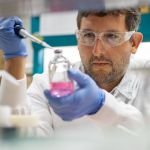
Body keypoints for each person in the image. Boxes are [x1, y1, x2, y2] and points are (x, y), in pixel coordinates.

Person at [0, 7, 149, 136]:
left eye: (112, 36)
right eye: (88, 36)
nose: (97, 51)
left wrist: (101, 105)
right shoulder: (47, 85)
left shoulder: (146, 79)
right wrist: (15, 58)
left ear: (134, 43)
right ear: (78, 38)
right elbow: (21, 141)